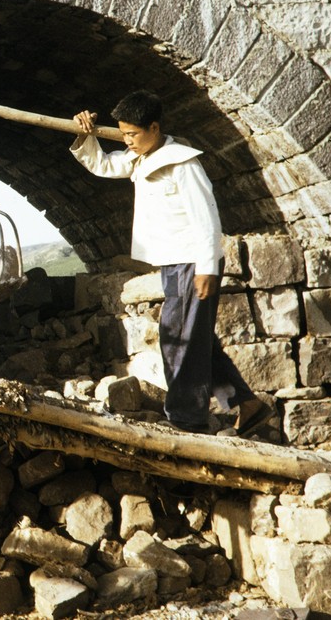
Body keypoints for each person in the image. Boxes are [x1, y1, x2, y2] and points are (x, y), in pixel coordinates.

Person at [70, 90, 270, 436]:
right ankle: (246, 404)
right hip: (173, 264)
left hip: (193, 262)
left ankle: (186, 419)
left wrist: (208, 267)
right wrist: (84, 135)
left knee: (178, 339)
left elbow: (207, 217)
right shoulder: (140, 158)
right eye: (123, 134)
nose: (127, 140)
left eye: (133, 133)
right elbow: (103, 164)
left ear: (155, 127)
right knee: (196, 339)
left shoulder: (183, 163)